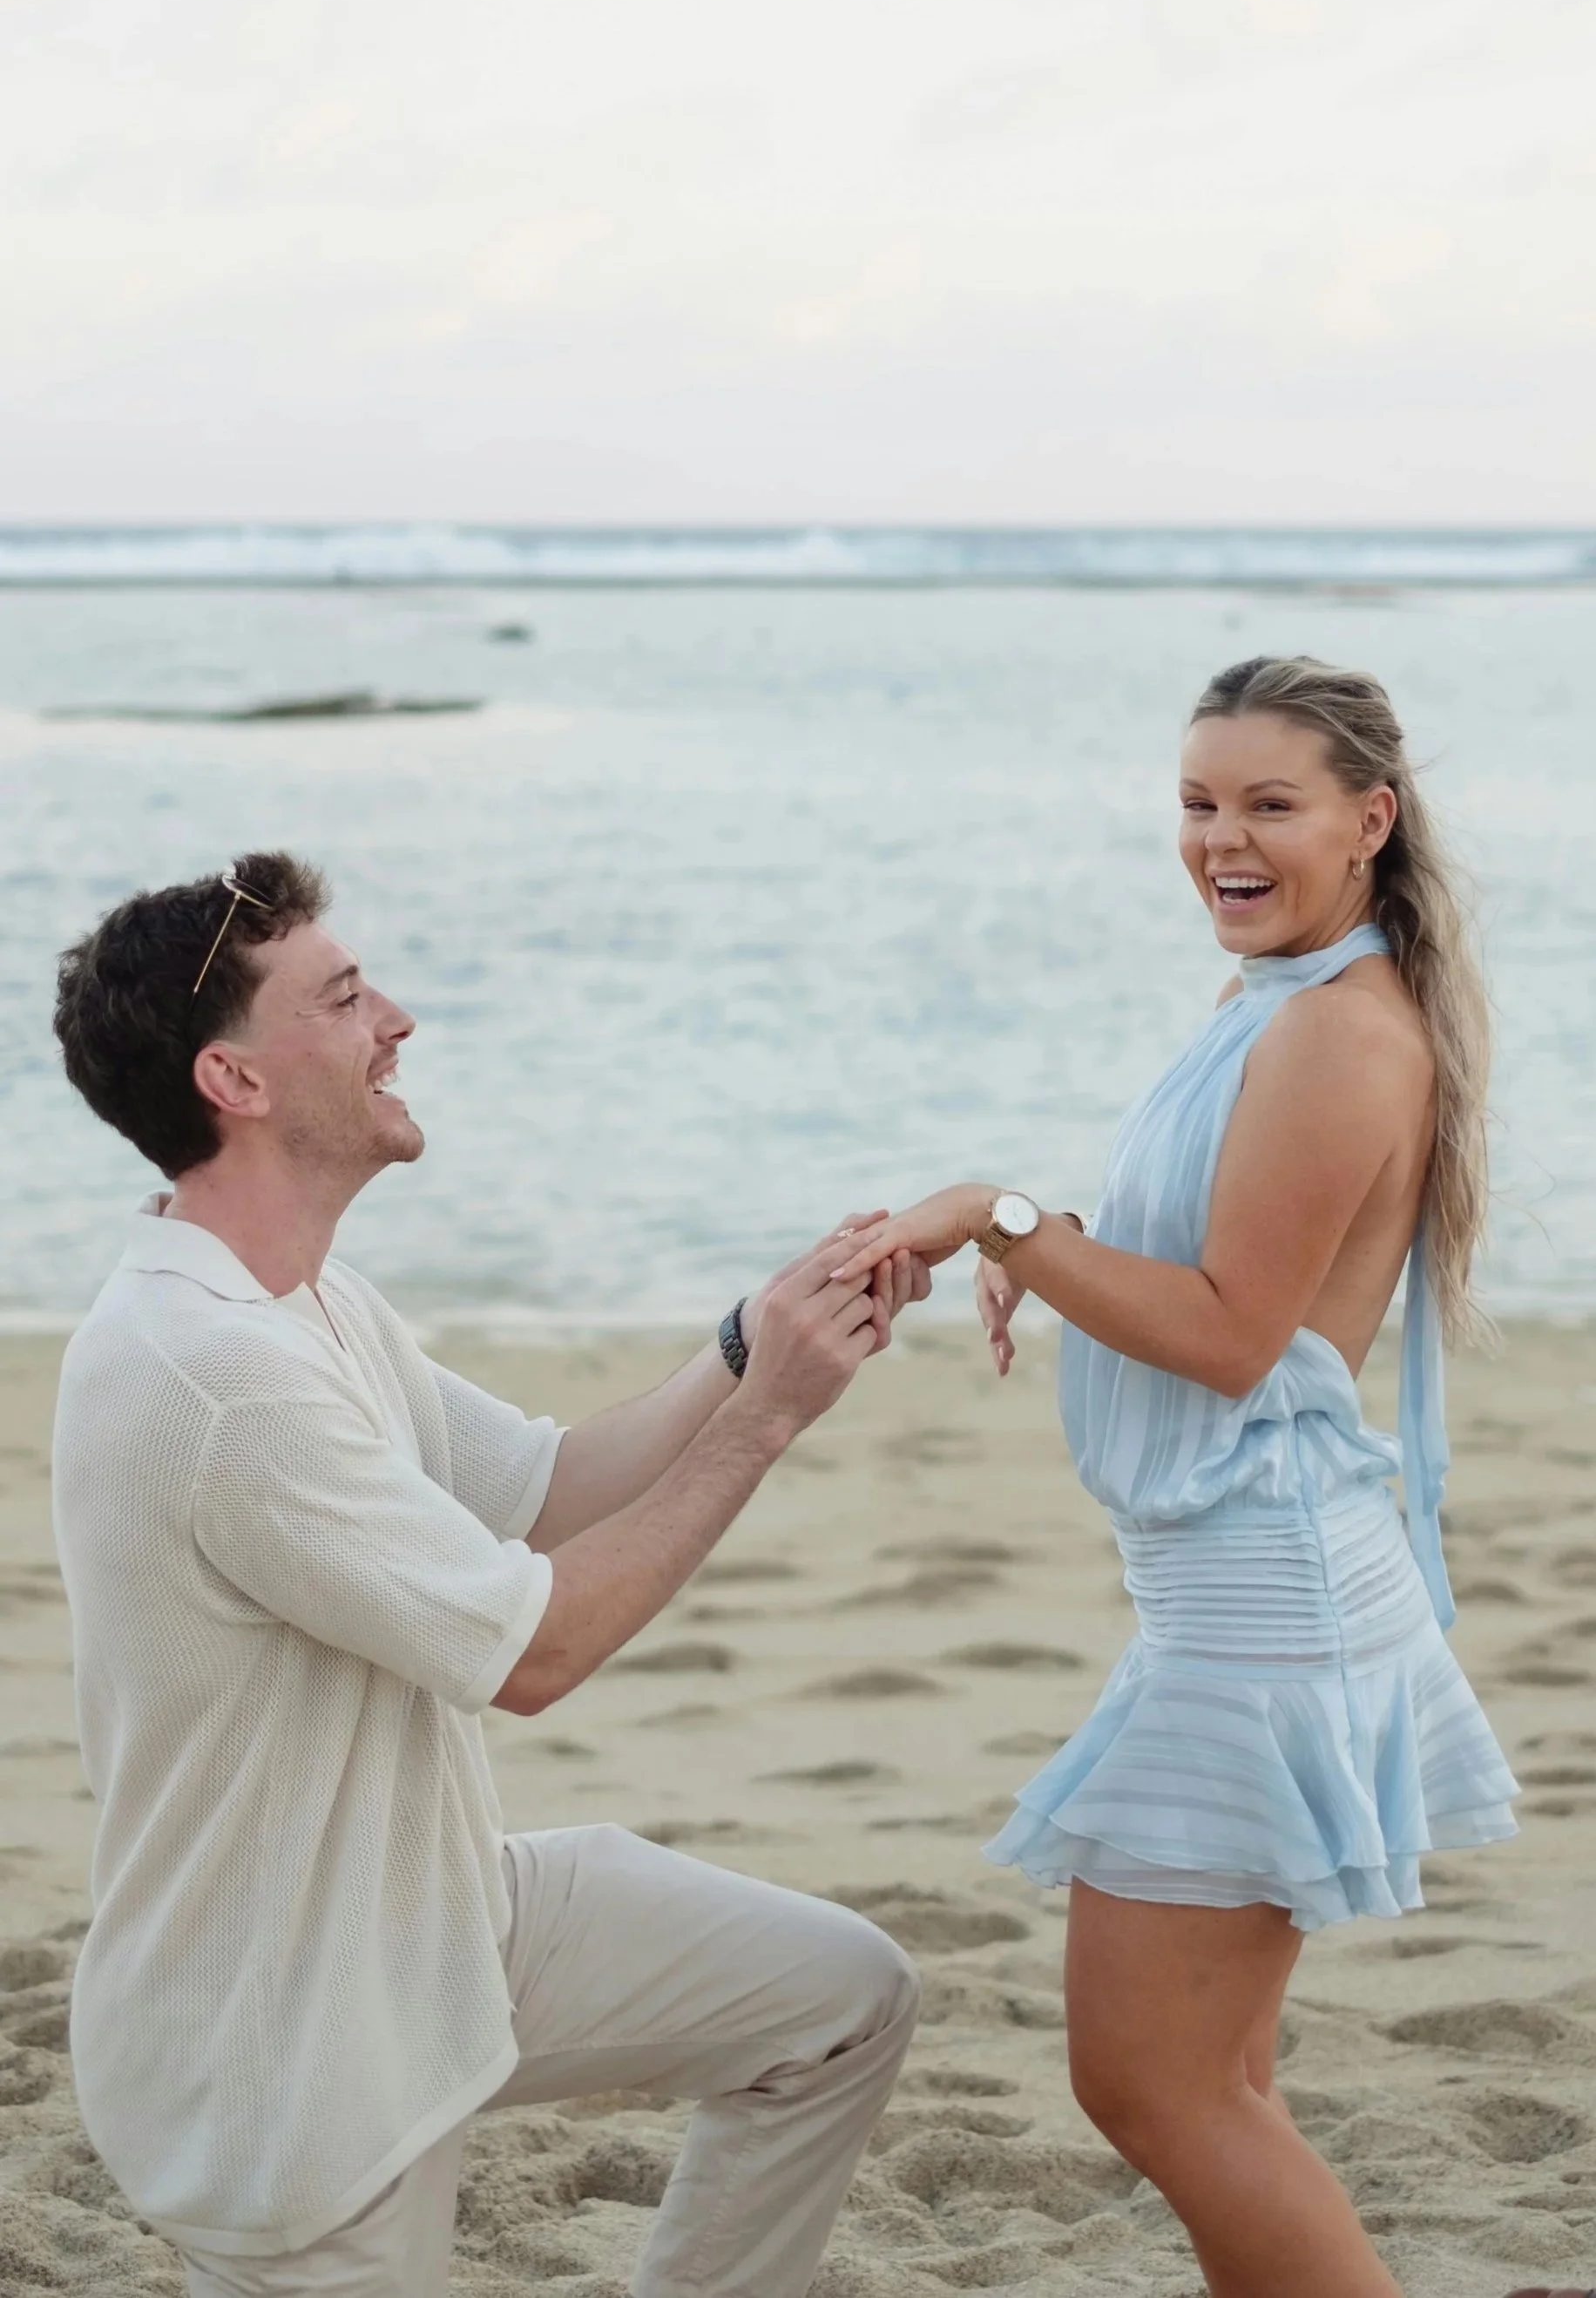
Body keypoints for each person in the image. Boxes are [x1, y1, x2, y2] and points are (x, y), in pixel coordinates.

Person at [50, 852, 927, 2298]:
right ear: (238, 1082)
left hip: (441, 1915)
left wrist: (754, 1333)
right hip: (286, 2038)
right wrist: (771, 1415)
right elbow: (537, 1654)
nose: (396, 1017)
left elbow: (545, 1488)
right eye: (343, 998)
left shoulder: (303, 1295)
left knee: (836, 2001)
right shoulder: (213, 1374)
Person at [840, 657, 1520, 2298]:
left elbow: (1227, 1339)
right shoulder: (1279, 999)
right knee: (1219, 2087)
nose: (1222, 839)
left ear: (1371, 820)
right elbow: (1222, 1266)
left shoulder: (1342, 1036)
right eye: (1198, 804)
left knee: (1155, 2087)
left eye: (1267, 805)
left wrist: (1001, 1218)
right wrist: (1072, 1252)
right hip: (1230, 1587)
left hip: (1262, 1609)